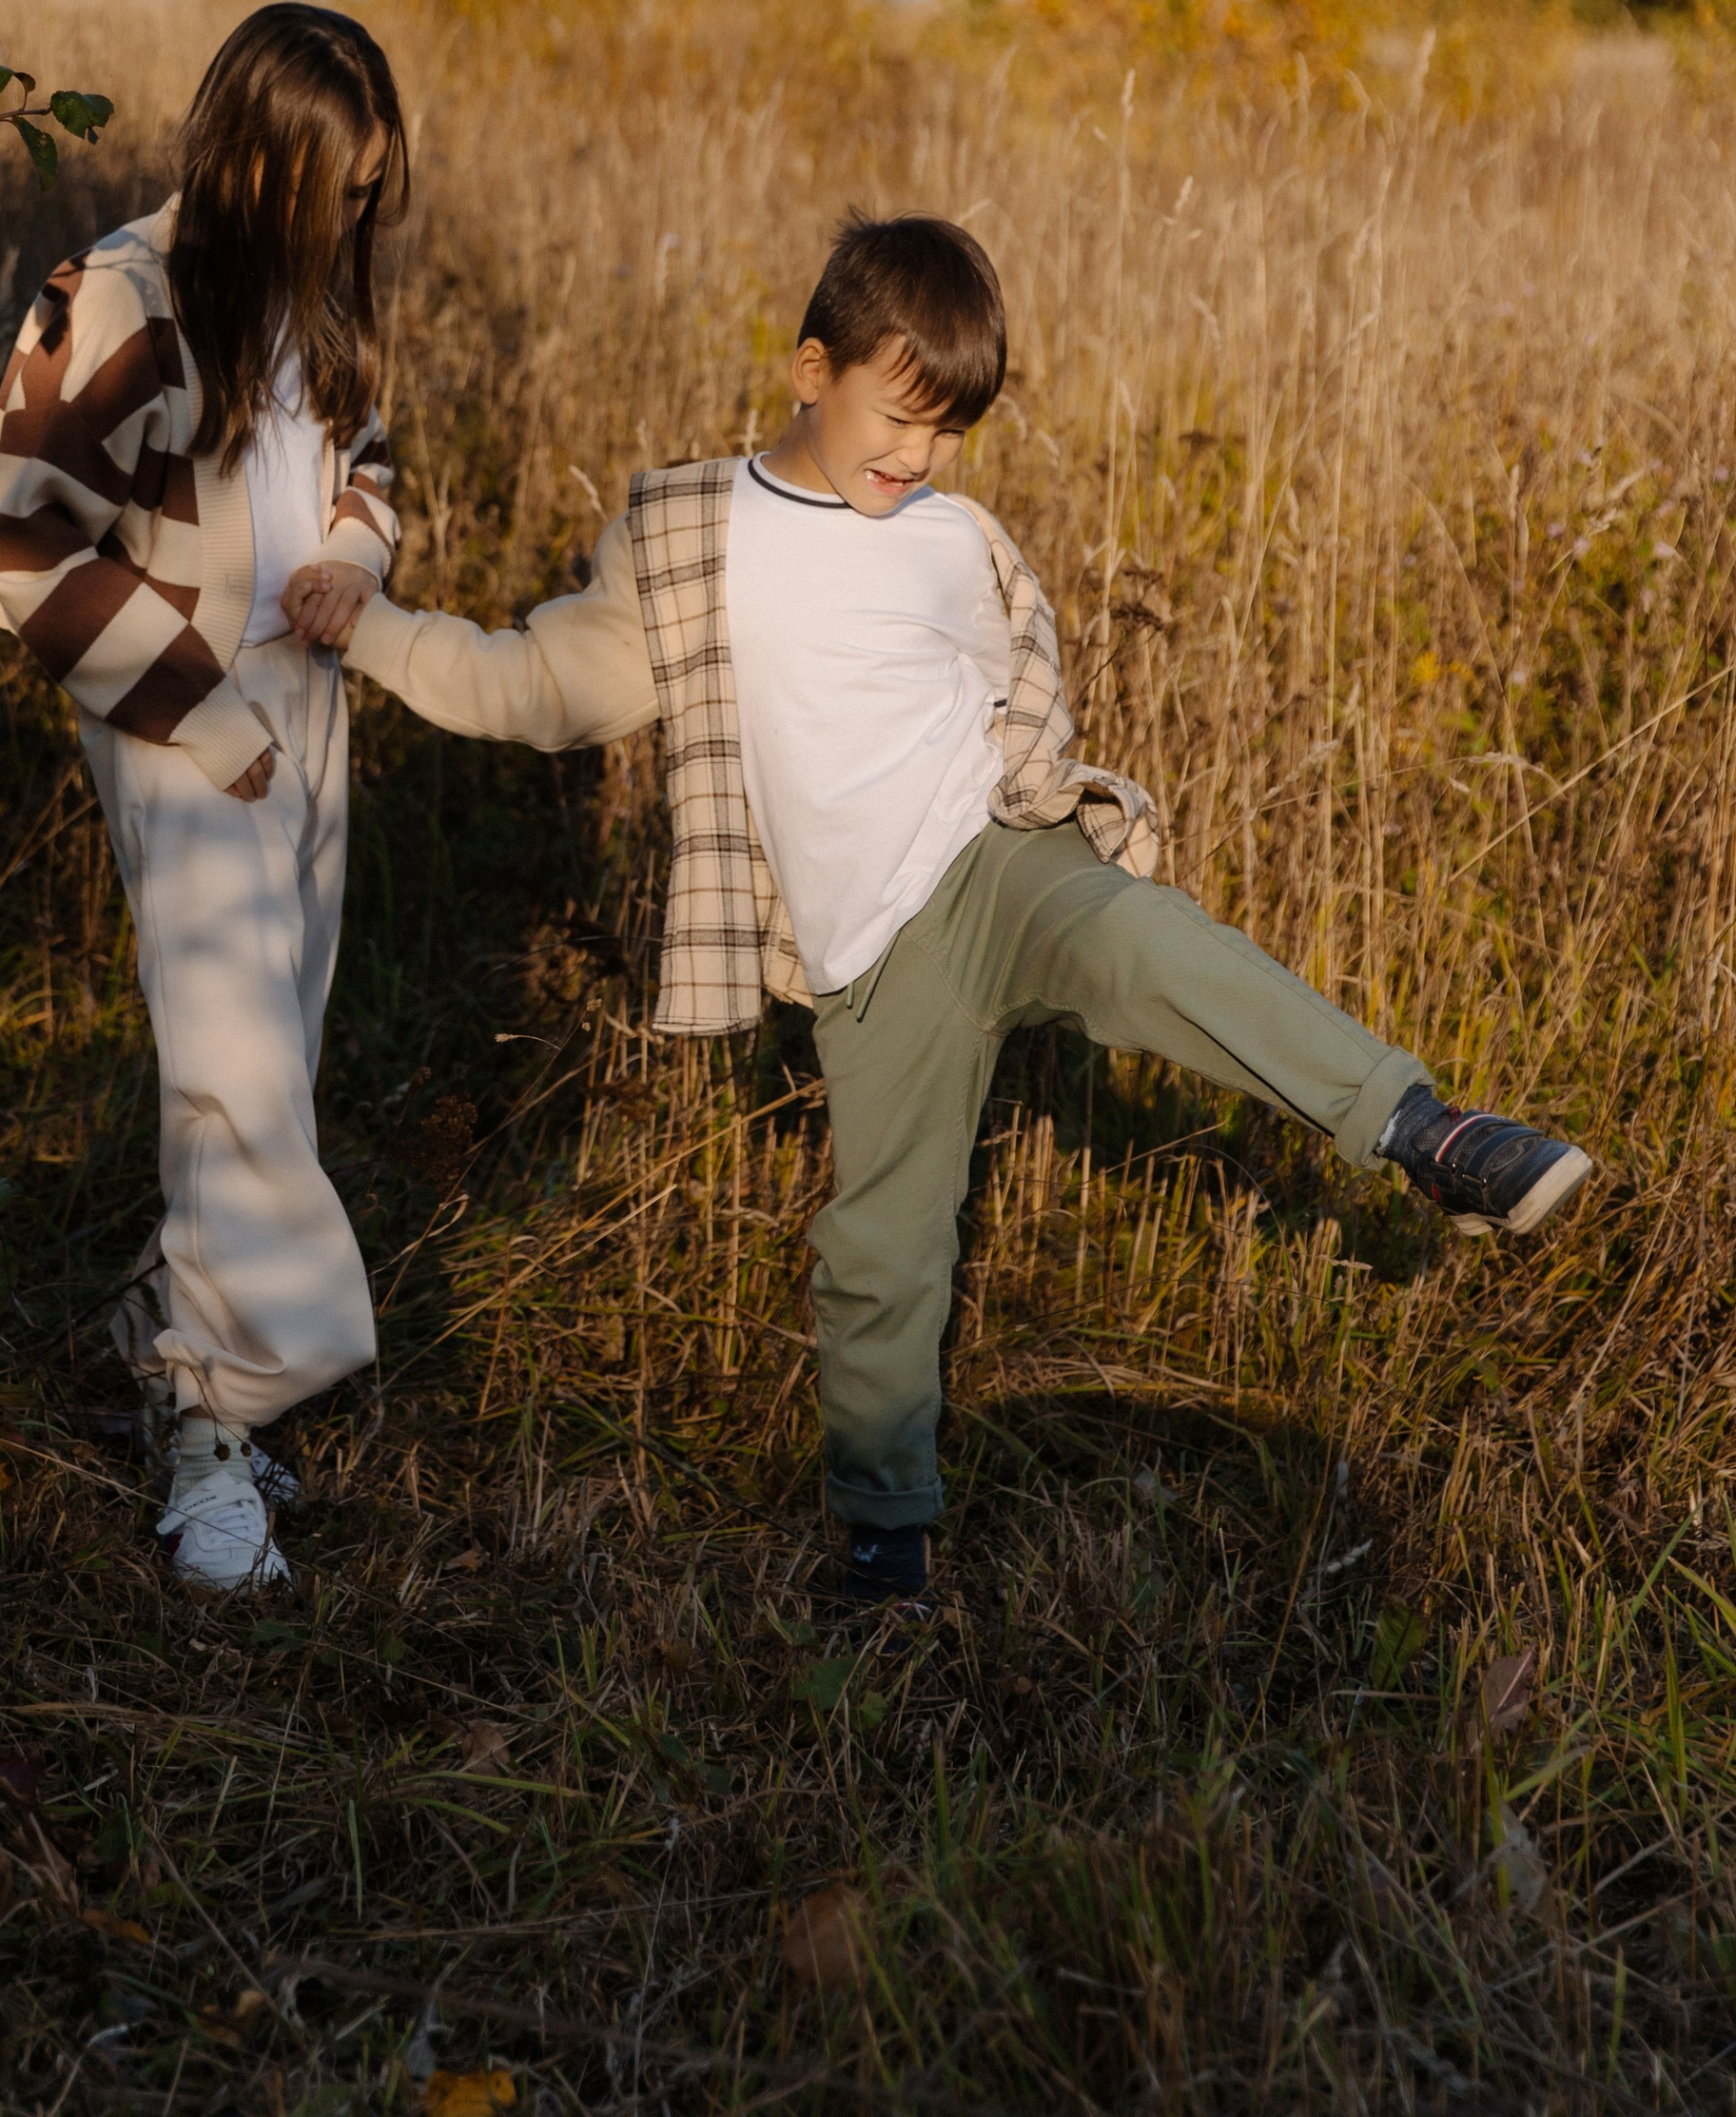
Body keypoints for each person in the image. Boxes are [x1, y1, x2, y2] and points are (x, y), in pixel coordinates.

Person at [284, 210, 1592, 1615]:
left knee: (1147, 942)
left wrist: (1056, 800)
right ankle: (883, 1541)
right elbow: (536, 686)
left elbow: (1017, 686)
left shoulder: (955, 540)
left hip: (994, 863)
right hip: (865, 960)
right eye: (898, 416)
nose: (918, 456)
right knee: (882, 1244)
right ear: (812, 370)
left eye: (950, 431)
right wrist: (373, 630)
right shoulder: (691, 538)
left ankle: (1421, 1129)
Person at [0, 2, 407, 1593]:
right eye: (331, 185)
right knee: (238, 1079)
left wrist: (353, 555)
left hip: (310, 707)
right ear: (252, 153)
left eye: (367, 191)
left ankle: (175, 1343)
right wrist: (209, 718)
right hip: (179, 717)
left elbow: (370, 462)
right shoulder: (119, 293)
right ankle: (211, 1434)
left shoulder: (319, 299)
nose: (348, 215)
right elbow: (20, 552)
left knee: (277, 1058)